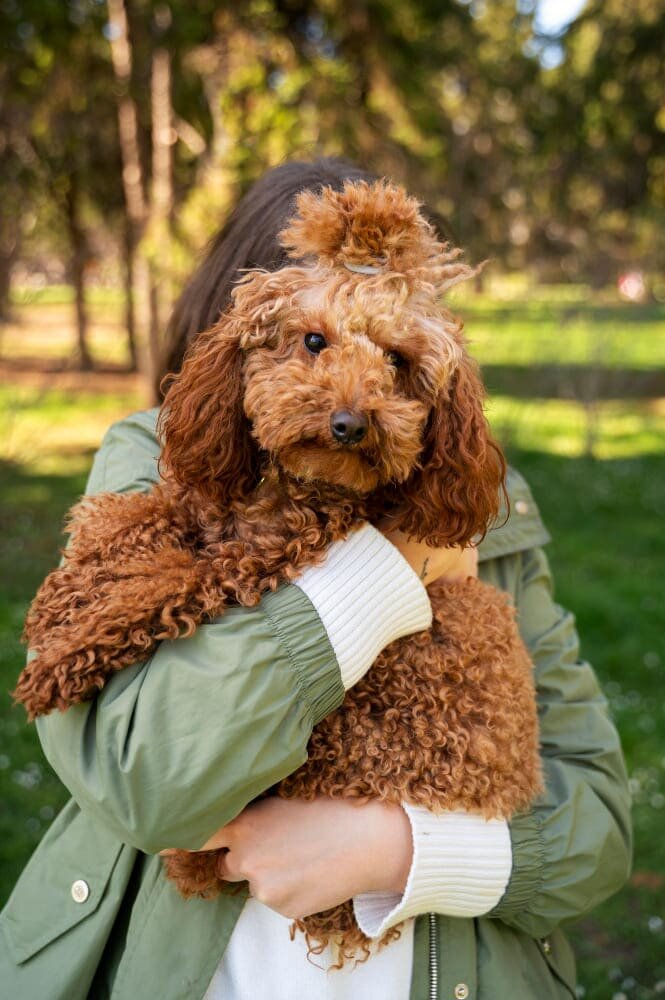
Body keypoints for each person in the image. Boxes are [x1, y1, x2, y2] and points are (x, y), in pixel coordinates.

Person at [0, 158, 631, 1000]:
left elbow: (598, 823)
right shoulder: (151, 463)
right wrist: (386, 569)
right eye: (313, 341)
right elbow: (143, 783)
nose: (348, 404)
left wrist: (395, 850)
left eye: (395, 361)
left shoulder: (487, 511)